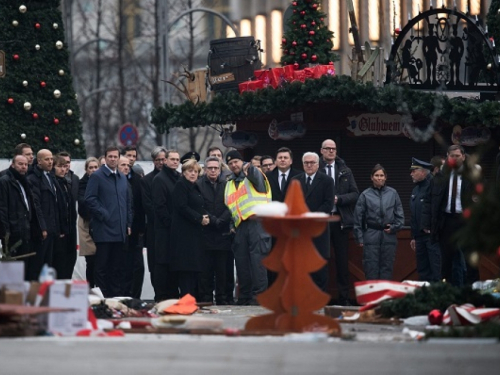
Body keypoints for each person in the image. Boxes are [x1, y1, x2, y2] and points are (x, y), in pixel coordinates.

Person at [423, 145, 476, 286]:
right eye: (451, 156)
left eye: (457, 156)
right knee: (446, 261)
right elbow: (429, 201)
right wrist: (427, 223)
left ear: (463, 157)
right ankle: (448, 293)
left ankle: (472, 293)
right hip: (446, 221)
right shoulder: (440, 176)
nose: (454, 158)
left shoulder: (472, 176)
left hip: (466, 221)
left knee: (470, 261)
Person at [224, 150, 272, 305]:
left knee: (258, 262)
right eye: (230, 163)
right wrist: (232, 225)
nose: (233, 165)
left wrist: (249, 167)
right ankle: (244, 297)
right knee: (242, 263)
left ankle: (258, 298)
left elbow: (254, 175)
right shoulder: (230, 184)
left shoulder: (253, 175)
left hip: (257, 223)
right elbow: (231, 208)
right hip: (240, 227)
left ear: (242, 161)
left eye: (236, 162)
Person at [85, 146, 132, 297]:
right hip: (104, 230)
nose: (113, 159)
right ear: (105, 158)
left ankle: (115, 297)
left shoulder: (122, 177)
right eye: (110, 156)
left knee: (117, 267)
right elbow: (90, 199)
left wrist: (127, 223)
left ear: (119, 158)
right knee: (102, 267)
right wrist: (104, 214)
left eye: (115, 156)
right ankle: (103, 297)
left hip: (120, 231)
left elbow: (127, 203)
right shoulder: (97, 176)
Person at [319, 139, 359, 305]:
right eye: (327, 148)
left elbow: (355, 194)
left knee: (342, 262)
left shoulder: (344, 170)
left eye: (333, 149)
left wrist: (339, 199)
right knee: (321, 261)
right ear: (321, 151)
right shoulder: (316, 169)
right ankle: (321, 297)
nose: (330, 151)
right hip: (321, 222)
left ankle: (344, 297)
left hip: (340, 221)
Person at [353, 164, 404, 280]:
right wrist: (359, 237)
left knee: (387, 268)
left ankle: (385, 298)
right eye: (376, 175)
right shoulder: (365, 195)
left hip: (388, 235)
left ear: (386, 177)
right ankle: (373, 297)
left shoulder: (393, 193)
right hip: (371, 234)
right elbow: (357, 218)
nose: (379, 178)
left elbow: (400, 216)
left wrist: (394, 228)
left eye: (381, 175)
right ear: (371, 177)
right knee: (371, 268)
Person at [292, 152, 333, 291]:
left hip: (318, 230)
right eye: (306, 163)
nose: (309, 165)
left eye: (312, 163)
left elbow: (328, 204)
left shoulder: (327, 181)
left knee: (319, 267)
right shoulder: (295, 180)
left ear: (317, 164)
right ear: (302, 164)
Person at [0, 155, 44, 280]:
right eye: (20, 164)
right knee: (13, 271)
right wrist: (6, 233)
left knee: (26, 270)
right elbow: (2, 209)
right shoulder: (5, 182)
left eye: (25, 164)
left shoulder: (25, 182)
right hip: (13, 234)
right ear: (12, 164)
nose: (23, 167)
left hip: (26, 232)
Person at [170, 159, 208, 297]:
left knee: (193, 268)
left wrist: (204, 217)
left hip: (194, 233)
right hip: (184, 235)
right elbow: (182, 206)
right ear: (184, 172)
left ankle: (192, 298)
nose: (193, 174)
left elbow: (198, 205)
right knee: (186, 268)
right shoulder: (181, 185)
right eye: (190, 171)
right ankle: (186, 297)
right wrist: (199, 218)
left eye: (196, 171)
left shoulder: (194, 186)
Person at [196, 156, 232, 304]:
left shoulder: (227, 185)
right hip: (205, 235)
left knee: (222, 273)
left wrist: (221, 220)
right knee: (205, 273)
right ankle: (206, 300)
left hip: (223, 235)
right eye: (209, 168)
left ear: (220, 169)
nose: (212, 170)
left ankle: (222, 300)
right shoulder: (198, 184)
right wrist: (213, 220)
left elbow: (231, 204)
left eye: (215, 168)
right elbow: (199, 206)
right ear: (204, 169)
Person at [152, 149, 180, 301]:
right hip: (164, 230)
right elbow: (160, 206)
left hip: (176, 231)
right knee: (162, 263)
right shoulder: (160, 179)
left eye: (177, 159)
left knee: (173, 264)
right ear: (166, 161)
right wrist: (171, 224)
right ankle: (162, 296)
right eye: (172, 159)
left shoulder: (178, 177)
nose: (175, 161)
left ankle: (173, 295)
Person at [27, 149, 59, 279]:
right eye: (47, 159)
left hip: (52, 228)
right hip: (42, 230)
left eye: (51, 159)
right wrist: (43, 227)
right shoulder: (33, 178)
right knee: (38, 265)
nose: (50, 162)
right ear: (39, 161)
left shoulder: (50, 176)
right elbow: (37, 205)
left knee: (48, 264)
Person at [140, 146, 167, 300]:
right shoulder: (146, 180)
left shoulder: (175, 177)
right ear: (153, 161)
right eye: (158, 160)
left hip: (170, 230)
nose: (161, 162)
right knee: (155, 265)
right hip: (154, 229)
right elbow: (148, 206)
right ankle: (159, 294)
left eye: (164, 159)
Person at [409, 157, 441, 282]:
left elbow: (437, 211)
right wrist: (413, 236)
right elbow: (414, 214)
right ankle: (427, 299)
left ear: (423, 172)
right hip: (419, 237)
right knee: (422, 270)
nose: (411, 173)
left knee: (436, 269)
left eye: (414, 171)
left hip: (432, 236)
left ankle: (438, 299)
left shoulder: (434, 186)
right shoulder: (416, 189)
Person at [121, 146, 145, 298]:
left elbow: (141, 205)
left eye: (133, 156)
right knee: (122, 266)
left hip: (135, 231)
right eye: (128, 156)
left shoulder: (137, 179)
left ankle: (135, 296)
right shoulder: (116, 178)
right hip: (119, 230)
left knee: (137, 267)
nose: (131, 159)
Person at [52, 155, 77, 280]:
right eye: (59, 166)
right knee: (59, 267)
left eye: (64, 166)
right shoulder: (53, 183)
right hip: (59, 232)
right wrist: (60, 229)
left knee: (69, 264)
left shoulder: (67, 183)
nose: (63, 169)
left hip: (70, 231)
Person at [77, 157, 99, 288]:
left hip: (101, 224)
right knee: (90, 261)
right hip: (87, 224)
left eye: (96, 167)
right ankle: (90, 289)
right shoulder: (82, 184)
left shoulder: (103, 181)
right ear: (86, 170)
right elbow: (83, 205)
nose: (93, 170)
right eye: (90, 168)